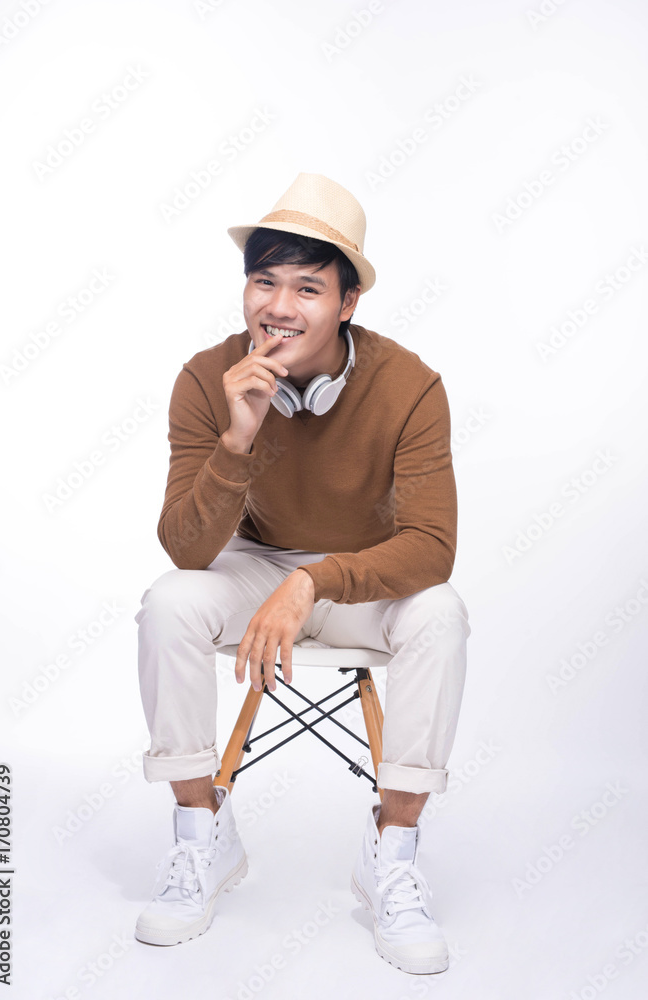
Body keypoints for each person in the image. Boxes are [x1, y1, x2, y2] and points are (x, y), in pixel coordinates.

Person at [133, 172, 471, 975]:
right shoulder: (206, 378)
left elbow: (431, 544)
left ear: (348, 303)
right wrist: (238, 439)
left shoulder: (410, 385)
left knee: (441, 613)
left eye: (307, 287)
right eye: (263, 280)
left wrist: (313, 582)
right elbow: (185, 546)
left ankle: (392, 853)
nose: (278, 306)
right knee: (168, 603)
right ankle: (200, 836)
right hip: (253, 568)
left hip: (362, 579)